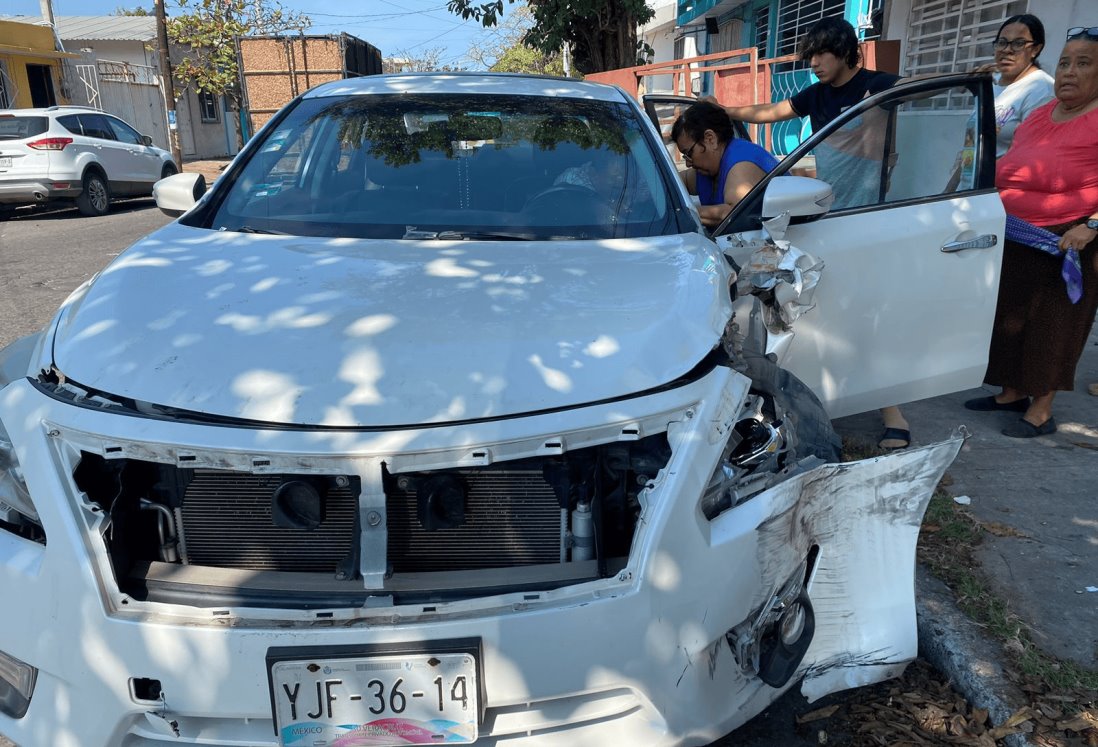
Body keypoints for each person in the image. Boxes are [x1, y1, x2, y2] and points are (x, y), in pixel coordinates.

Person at [717, 16, 909, 449]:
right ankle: (829, 398)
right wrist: (726, 111)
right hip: (829, 214)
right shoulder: (818, 94)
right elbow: (769, 112)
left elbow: (922, 98)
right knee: (832, 313)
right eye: (811, 56)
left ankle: (894, 411)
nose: (816, 63)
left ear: (846, 50)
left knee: (873, 314)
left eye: (823, 53)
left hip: (874, 216)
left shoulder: (880, 87)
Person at [963, 25, 1098, 438]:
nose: (1069, 72)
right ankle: (1011, 393)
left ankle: (1041, 409)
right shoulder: (1041, 114)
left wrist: (1092, 225)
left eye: (1083, 64)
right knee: (1011, 318)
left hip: (1068, 237)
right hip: (1018, 232)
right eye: (1064, 62)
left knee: (1053, 325)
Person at [949, 14, 1055, 189]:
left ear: (1035, 49)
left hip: (998, 198)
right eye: (1002, 42)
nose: (1007, 50)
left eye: (1019, 43)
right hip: (967, 194)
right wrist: (950, 190)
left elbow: (1030, 158)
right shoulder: (991, 83)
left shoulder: (1041, 91)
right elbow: (972, 145)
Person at [670, 100, 778, 228]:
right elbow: (670, 184)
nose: (688, 163)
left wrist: (676, 212)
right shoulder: (708, 169)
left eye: (689, 153)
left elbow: (734, 214)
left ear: (710, 139)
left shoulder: (740, 164)